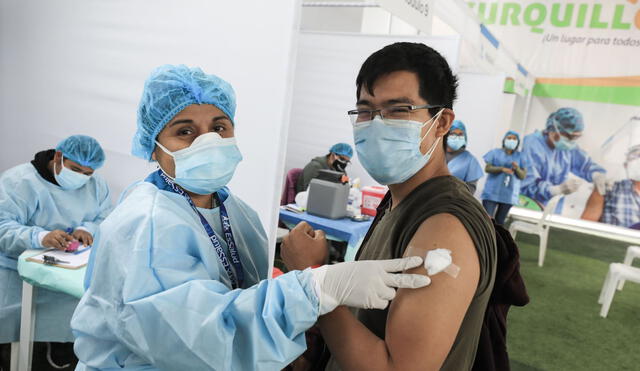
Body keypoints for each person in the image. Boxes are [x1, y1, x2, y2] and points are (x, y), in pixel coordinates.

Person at [70, 65, 429, 371]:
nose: (208, 141)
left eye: (219, 127)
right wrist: (317, 289)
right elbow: (196, 337)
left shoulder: (234, 211)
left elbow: (246, 297)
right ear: (153, 145)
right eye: (185, 131)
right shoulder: (145, 224)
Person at [284, 42, 497, 370]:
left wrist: (314, 277)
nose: (377, 124)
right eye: (366, 111)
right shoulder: (398, 199)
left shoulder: (444, 225)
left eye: (399, 110)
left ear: (441, 123)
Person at [0, 135, 111, 369]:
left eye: (88, 173)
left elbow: (104, 217)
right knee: (16, 337)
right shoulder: (19, 182)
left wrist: (86, 229)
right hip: (16, 276)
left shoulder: (96, 185)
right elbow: (2, 228)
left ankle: (54, 356)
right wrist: (41, 237)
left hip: (65, 276)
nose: (82, 178)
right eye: (76, 169)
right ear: (58, 157)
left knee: (68, 331)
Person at [521, 107, 606, 211]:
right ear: (554, 131)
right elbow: (527, 184)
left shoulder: (567, 148)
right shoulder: (532, 145)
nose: (572, 141)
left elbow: (585, 165)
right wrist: (555, 190)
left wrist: (597, 175)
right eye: (570, 137)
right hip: (528, 207)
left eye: (576, 138)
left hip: (552, 210)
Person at [581, 145, 640, 227]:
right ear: (626, 166)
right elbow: (585, 226)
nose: (637, 162)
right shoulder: (607, 189)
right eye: (632, 158)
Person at [481, 131, 528, 225]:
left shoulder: (521, 156)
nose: (511, 140)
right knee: (486, 221)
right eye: (509, 138)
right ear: (504, 140)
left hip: (509, 195)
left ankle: (497, 240)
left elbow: (522, 176)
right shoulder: (495, 153)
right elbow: (487, 168)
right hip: (492, 192)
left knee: (499, 222)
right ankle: (483, 239)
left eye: (514, 139)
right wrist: (501, 169)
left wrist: (517, 168)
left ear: (518, 142)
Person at [445, 120, 484, 194]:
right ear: (446, 135)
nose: (457, 137)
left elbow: (471, 188)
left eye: (460, 134)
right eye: (453, 133)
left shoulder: (470, 160)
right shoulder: (437, 153)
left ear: (465, 137)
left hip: (455, 201)